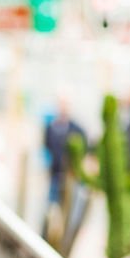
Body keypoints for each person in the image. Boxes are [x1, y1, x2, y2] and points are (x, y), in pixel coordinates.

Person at [42, 96, 86, 239]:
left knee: (70, 210)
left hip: (71, 177)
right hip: (55, 173)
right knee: (51, 209)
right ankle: (48, 236)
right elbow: (47, 145)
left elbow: (85, 149)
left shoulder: (77, 129)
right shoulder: (50, 127)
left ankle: (65, 237)